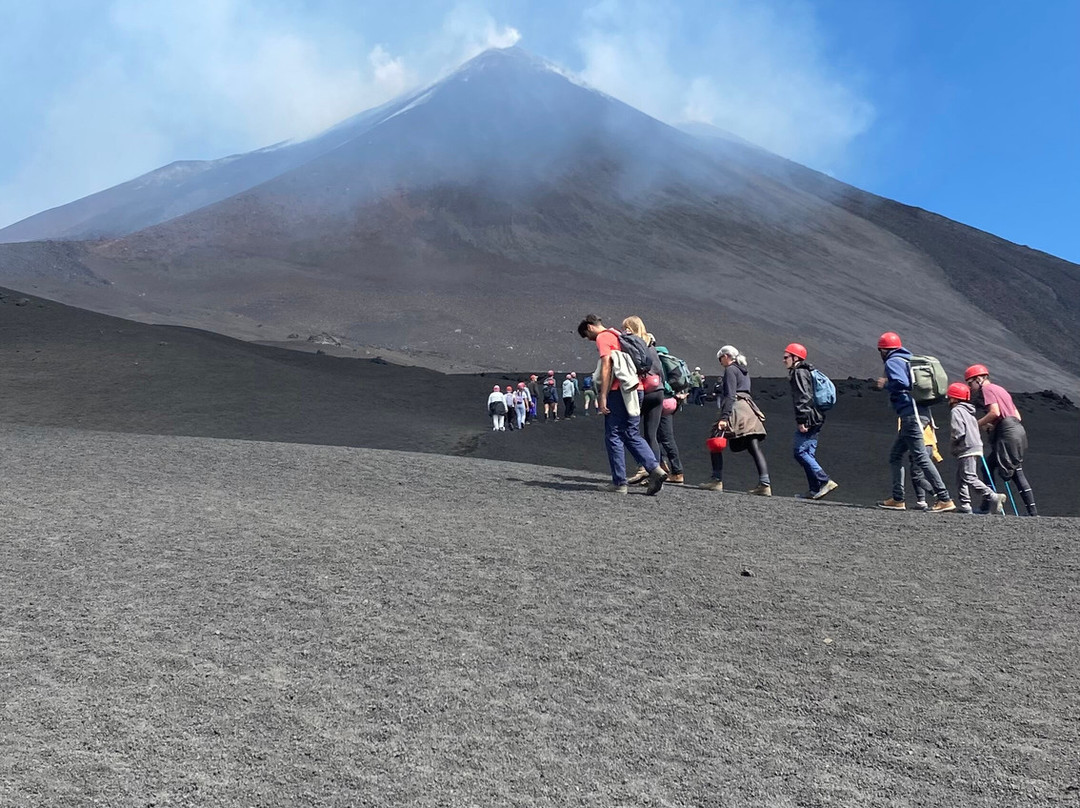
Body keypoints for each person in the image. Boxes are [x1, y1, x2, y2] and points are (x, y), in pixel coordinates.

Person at [577, 314, 667, 495]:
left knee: (613, 434)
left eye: (587, 336)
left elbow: (606, 366)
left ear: (590, 327)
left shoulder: (603, 337)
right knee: (631, 432)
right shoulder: (619, 335)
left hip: (619, 391)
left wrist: (602, 395)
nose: (589, 339)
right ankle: (655, 469)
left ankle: (619, 482)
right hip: (637, 388)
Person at [874, 332, 955, 511]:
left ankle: (944, 498)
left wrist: (885, 383)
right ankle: (898, 499)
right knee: (895, 455)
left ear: (883, 350)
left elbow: (902, 383)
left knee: (921, 457)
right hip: (919, 413)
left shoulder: (893, 361)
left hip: (912, 415)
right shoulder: (908, 359)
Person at [965, 364, 1038, 516]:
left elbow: (994, 412)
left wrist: (976, 425)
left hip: (1007, 433)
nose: (970, 387)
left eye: (970, 382)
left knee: (1015, 472)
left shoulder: (987, 389)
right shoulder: (1001, 390)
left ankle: (1032, 513)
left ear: (978, 379)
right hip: (1016, 430)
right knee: (990, 466)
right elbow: (1017, 416)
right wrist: (993, 426)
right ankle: (988, 506)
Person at [621, 317, 684, 485]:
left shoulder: (633, 344)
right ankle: (655, 474)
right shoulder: (652, 346)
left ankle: (644, 468)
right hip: (658, 392)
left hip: (643, 391)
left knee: (630, 432)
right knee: (651, 435)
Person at [701, 345, 771, 495]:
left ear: (726, 356)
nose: (720, 362)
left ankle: (716, 480)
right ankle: (765, 483)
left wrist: (724, 417)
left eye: (720, 359)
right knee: (753, 445)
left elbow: (730, 395)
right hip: (750, 410)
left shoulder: (731, 370)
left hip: (737, 409)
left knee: (716, 437)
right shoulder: (744, 371)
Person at [782, 343, 838, 499]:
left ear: (795, 358)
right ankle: (814, 489)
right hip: (817, 416)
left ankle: (824, 480)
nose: (784, 360)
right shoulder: (807, 371)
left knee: (799, 452)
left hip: (810, 417)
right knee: (808, 453)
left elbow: (803, 397)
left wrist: (802, 420)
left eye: (786, 357)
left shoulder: (799, 373)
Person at [946, 381, 1007, 515]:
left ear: (954, 398)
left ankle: (994, 497)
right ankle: (965, 505)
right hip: (975, 446)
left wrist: (954, 443)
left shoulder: (957, 411)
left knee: (969, 476)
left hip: (965, 447)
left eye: (950, 397)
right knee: (961, 477)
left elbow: (958, 431)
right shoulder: (969, 411)